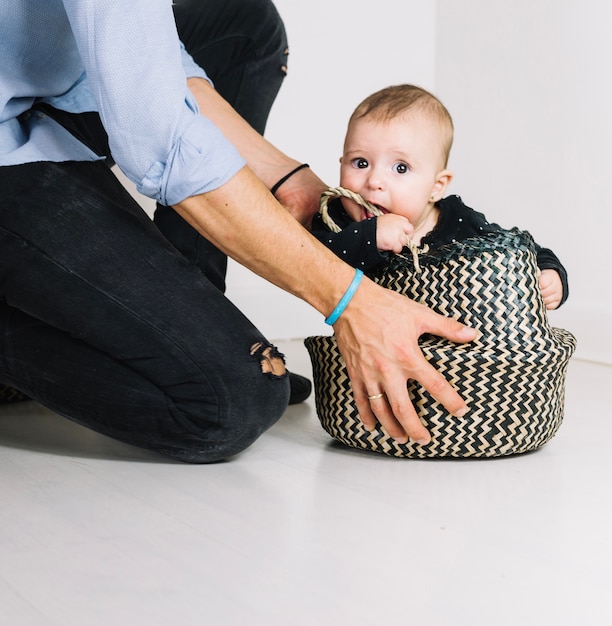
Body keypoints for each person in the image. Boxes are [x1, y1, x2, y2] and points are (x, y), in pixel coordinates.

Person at [0, 1, 476, 463]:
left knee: (245, 25)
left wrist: (286, 176)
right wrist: (350, 299)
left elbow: (147, 52)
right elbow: (159, 136)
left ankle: (187, 327)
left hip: (30, 79)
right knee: (230, 404)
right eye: (362, 163)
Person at [312, 84, 569, 310]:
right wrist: (370, 237)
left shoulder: (456, 220)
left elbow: (511, 246)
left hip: (450, 350)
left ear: (436, 186)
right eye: (360, 162)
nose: (374, 182)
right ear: (341, 163)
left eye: (400, 168)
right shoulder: (338, 218)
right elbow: (315, 265)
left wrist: (548, 270)